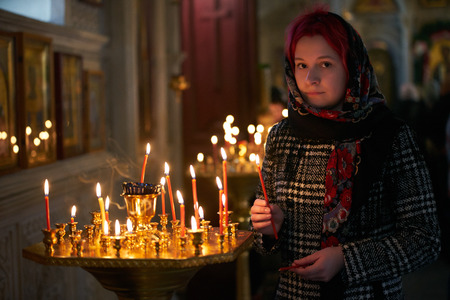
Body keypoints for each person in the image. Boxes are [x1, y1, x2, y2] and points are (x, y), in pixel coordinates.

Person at [250, 6, 441, 299]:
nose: (311, 77)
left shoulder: (391, 136)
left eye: (325, 64)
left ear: (351, 66)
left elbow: (424, 240)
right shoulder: (282, 137)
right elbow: (267, 233)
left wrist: (347, 259)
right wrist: (267, 226)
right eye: (301, 65)